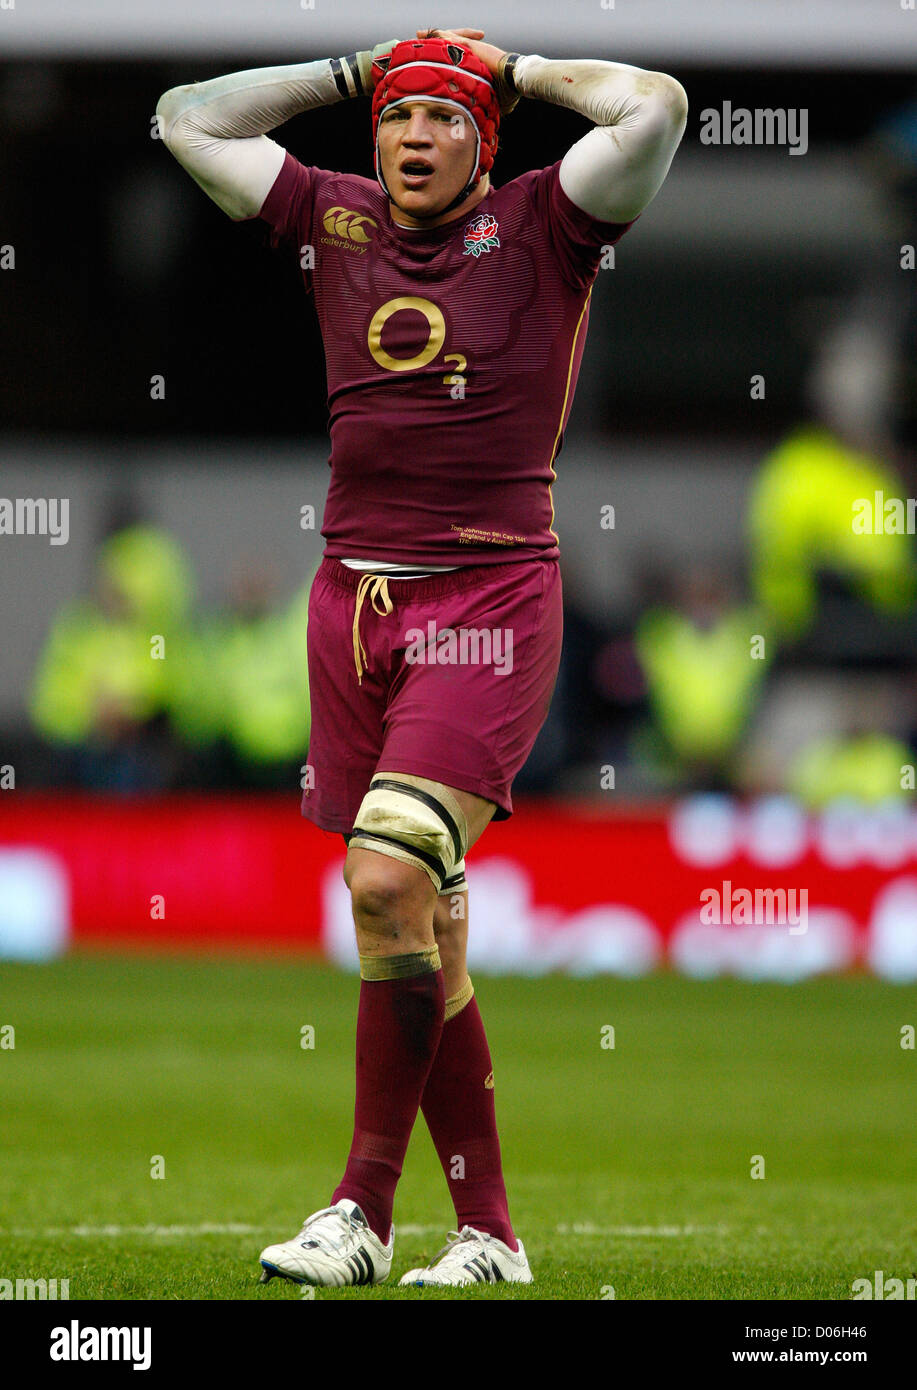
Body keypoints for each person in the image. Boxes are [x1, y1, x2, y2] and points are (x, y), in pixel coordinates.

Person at [157, 26, 686, 1289]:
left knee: (387, 873)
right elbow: (187, 116)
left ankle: (359, 1210)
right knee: (421, 926)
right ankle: (492, 1236)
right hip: (349, 605)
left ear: (480, 141)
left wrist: (513, 69)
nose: (411, 138)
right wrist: (349, 70)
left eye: (441, 119)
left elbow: (654, 105)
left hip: (489, 593)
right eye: (395, 119)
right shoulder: (327, 219)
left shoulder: (546, 224)